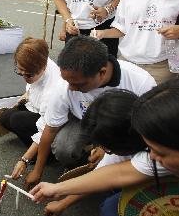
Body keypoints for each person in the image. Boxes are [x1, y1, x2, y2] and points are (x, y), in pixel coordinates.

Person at [30, 78, 179, 216]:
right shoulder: (149, 138)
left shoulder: (153, 142)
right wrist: (59, 194)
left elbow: (121, 173)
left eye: (161, 153)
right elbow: (114, 174)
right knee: (111, 207)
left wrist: (58, 190)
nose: (152, 156)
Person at [24, 36, 156, 188]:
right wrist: (37, 171)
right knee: (63, 148)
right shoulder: (65, 84)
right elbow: (50, 128)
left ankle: (108, 170)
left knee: (122, 161)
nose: (71, 88)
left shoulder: (141, 82)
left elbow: (145, 132)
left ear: (102, 72)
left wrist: (107, 150)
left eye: (77, 84)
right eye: (67, 81)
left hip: (122, 128)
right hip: (81, 119)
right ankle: (84, 163)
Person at [42, 90, 147, 216]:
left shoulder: (158, 154)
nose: (104, 151)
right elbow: (99, 177)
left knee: (111, 212)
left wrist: (58, 189)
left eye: (107, 148)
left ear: (126, 142)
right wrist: (63, 202)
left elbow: (118, 174)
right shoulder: (132, 129)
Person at [0, 38, 62, 178]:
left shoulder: (53, 90)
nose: (24, 78)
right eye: (20, 73)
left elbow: (46, 130)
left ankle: (46, 155)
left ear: (43, 67)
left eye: (29, 75)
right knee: (5, 117)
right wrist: (26, 94)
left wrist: (24, 159)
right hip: (36, 107)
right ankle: (32, 144)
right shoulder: (39, 57)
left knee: (16, 119)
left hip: (52, 124)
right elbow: (31, 85)